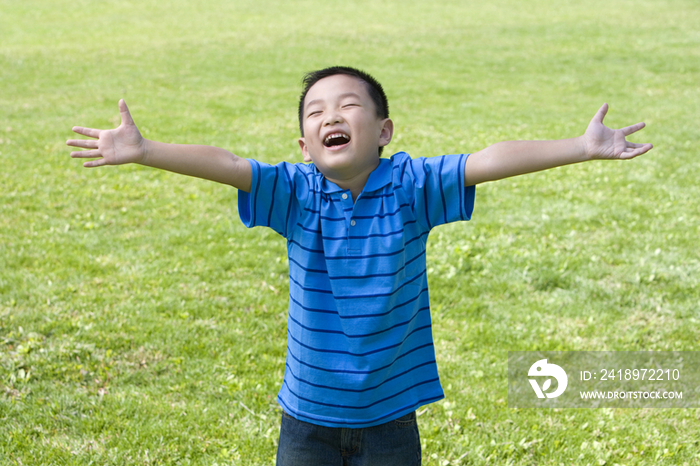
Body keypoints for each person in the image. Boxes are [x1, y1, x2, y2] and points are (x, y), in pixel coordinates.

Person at [67, 66, 652, 465]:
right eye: (315, 112)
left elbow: (485, 161)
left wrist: (578, 147)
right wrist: (145, 153)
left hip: (390, 420)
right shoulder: (294, 193)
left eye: (348, 105)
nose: (331, 116)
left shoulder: (411, 186)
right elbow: (230, 164)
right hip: (306, 420)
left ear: (383, 132)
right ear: (303, 145)